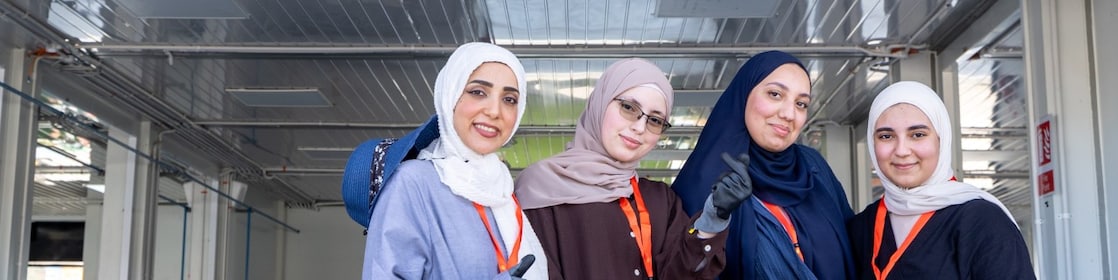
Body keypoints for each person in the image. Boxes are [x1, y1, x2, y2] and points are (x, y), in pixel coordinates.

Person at [514, 58, 752, 279]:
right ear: (600, 103)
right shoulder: (540, 187)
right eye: (628, 107)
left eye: (655, 120)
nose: (640, 127)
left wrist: (713, 218)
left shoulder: (660, 199)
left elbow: (682, 275)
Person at [361, 42, 548, 279]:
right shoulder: (413, 182)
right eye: (478, 92)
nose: (494, 111)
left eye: (509, 99)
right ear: (451, 95)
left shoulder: (501, 191)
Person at [672, 50, 856, 279]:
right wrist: (712, 221)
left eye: (801, 103)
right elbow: (680, 270)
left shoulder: (813, 167)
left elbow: (859, 243)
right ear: (745, 94)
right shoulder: (701, 180)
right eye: (775, 94)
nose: (789, 114)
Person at [847, 81, 1034, 279]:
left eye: (918, 135)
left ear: (941, 139)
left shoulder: (981, 221)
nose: (901, 150)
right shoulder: (862, 228)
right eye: (886, 136)